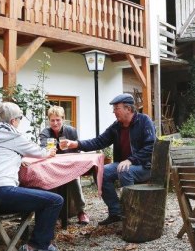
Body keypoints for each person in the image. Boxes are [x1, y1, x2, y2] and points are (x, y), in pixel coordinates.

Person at [0, 102, 62, 251]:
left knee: (41, 197)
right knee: (54, 200)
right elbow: (40, 152)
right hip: (3, 194)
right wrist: (50, 152)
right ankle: (33, 247)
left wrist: (16, 157)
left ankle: (43, 243)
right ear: (14, 120)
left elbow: (0, 156)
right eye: (19, 119)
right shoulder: (12, 136)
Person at [60, 93, 156, 226]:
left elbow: (151, 146)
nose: (114, 112)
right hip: (124, 165)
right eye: (114, 109)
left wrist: (131, 160)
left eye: (117, 108)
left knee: (124, 170)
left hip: (145, 166)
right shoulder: (117, 126)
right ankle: (116, 212)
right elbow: (99, 141)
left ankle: (132, 213)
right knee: (102, 172)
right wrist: (76, 144)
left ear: (128, 109)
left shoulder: (144, 121)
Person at [38, 105, 89, 224]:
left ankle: (81, 211)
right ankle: (53, 213)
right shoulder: (45, 132)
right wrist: (56, 146)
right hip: (51, 167)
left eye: (58, 120)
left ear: (63, 119)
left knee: (75, 180)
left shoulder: (71, 130)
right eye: (52, 120)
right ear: (48, 120)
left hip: (69, 165)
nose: (55, 123)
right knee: (48, 182)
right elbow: (43, 148)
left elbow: (77, 150)